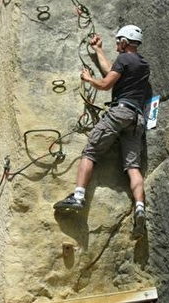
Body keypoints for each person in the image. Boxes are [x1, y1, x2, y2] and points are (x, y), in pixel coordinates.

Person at [53, 25, 150, 240]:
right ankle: (140, 208)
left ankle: (78, 197)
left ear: (125, 42)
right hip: (137, 119)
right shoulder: (143, 64)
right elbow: (112, 72)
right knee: (133, 166)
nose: (116, 45)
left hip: (119, 113)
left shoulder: (124, 60)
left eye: (118, 41)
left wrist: (88, 79)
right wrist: (98, 50)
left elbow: (106, 84)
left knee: (90, 153)